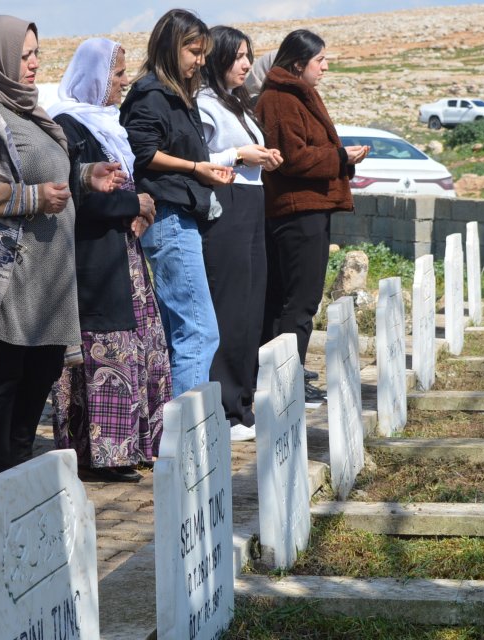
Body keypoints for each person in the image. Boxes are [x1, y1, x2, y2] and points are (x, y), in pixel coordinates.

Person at [0, 15, 125, 480]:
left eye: (36, 53)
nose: (35, 63)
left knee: (38, 378)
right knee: (4, 386)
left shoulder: (22, 109)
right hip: (5, 281)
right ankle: (1, 486)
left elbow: (42, 175)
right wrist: (34, 199)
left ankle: (18, 482)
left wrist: (83, 177)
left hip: (45, 282)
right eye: (24, 55)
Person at [47, 38, 173, 483]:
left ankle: (127, 448)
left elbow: (130, 189)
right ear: (96, 79)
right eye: (116, 75)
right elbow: (75, 199)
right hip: (93, 262)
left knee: (135, 347)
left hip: (124, 256)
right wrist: (130, 206)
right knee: (103, 353)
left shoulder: (107, 126)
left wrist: (142, 206)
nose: (123, 82)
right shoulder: (68, 127)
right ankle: (96, 453)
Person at [121, 9, 234, 398]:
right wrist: (195, 168)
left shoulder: (176, 93)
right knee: (199, 331)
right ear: (172, 47)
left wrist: (202, 170)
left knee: (181, 331)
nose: (200, 61)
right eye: (194, 52)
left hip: (180, 214)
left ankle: (173, 436)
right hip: (168, 217)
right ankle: (189, 440)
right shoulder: (152, 93)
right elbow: (143, 152)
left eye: (204, 54)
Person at [254, 29, 367, 401]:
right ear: (299, 62)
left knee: (295, 297)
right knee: (298, 299)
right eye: (320, 60)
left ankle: (286, 372)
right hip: (297, 210)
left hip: (309, 208)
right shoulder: (279, 100)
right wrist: (340, 158)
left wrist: (340, 158)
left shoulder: (297, 95)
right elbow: (293, 158)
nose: (326, 66)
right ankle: (288, 378)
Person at [198, 25, 282, 441]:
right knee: (228, 303)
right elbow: (197, 157)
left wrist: (263, 156)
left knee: (252, 301)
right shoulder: (202, 103)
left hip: (252, 200)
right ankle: (224, 406)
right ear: (216, 60)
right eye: (237, 57)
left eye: (249, 56)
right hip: (225, 203)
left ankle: (243, 400)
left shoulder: (239, 103)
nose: (246, 64)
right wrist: (239, 154)